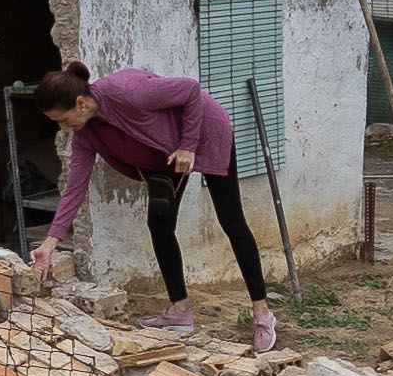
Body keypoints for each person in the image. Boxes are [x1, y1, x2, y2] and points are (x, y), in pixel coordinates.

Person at [26, 63, 275, 351]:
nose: (63, 127)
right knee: (159, 225)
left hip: (204, 132)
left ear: (80, 104)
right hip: (165, 154)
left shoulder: (127, 92)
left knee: (231, 220)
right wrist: (50, 242)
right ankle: (180, 312)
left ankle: (262, 313)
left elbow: (190, 90)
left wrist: (188, 145)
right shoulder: (86, 133)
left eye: (64, 119)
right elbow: (75, 187)